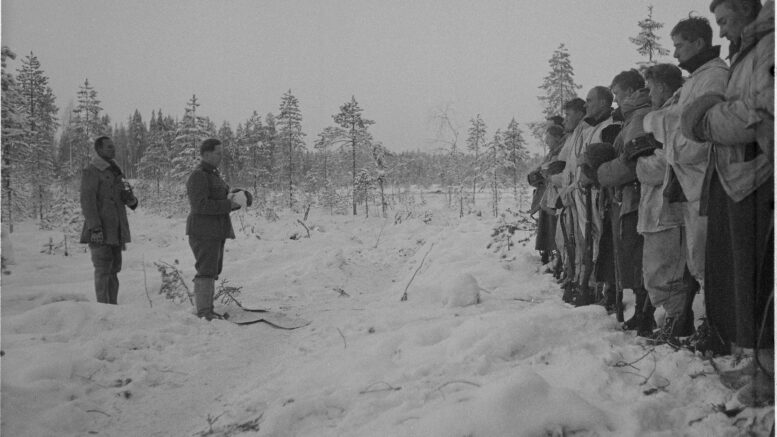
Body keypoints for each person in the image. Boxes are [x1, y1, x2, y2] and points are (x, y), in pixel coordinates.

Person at [682, 0, 773, 407]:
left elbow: (765, 110)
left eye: (723, 21)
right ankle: (761, 365)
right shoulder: (746, 53)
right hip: (740, 181)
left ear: (746, 11)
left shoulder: (770, 48)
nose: (720, 32)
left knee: (764, 281)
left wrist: (707, 120)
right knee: (746, 279)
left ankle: (770, 375)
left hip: (762, 179)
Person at [633, 64, 696, 345]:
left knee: (667, 273)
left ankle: (677, 325)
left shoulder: (678, 108)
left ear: (662, 86)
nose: (648, 94)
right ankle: (671, 323)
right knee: (656, 272)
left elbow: (667, 160)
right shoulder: (663, 112)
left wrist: (640, 162)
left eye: (650, 87)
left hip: (669, 210)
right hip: (654, 209)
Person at [595, 71, 651, 328]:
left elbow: (630, 164)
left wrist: (602, 173)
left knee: (638, 256)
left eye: (617, 94)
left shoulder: (639, 118)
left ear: (630, 92)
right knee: (633, 255)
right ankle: (642, 310)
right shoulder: (632, 118)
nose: (616, 100)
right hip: (630, 197)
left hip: (636, 198)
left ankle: (645, 312)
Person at [571, 86, 621, 307]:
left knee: (602, 241)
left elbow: (607, 159)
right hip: (586, 194)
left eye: (590, 100)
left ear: (603, 103)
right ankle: (593, 286)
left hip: (601, 193)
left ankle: (607, 290)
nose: (586, 104)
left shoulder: (610, 127)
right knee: (590, 240)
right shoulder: (591, 128)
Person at [186, 138, 242, 320]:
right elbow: (200, 205)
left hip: (215, 230)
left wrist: (239, 196)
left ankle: (207, 310)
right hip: (203, 231)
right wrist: (228, 204)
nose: (221, 157)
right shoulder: (199, 176)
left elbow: (221, 195)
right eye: (218, 153)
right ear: (207, 154)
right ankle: (204, 312)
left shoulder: (213, 174)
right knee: (206, 270)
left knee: (212, 269)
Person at [80, 136, 138, 304]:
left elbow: (122, 193)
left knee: (114, 269)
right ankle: (102, 308)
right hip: (100, 230)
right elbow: (87, 201)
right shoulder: (92, 170)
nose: (113, 150)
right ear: (98, 149)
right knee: (103, 269)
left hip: (115, 230)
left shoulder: (115, 170)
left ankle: (113, 307)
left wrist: (131, 200)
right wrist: (95, 227)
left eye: (113, 146)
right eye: (108, 147)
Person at [552, 98, 587, 297]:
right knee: (571, 240)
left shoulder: (587, 131)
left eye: (568, 114)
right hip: (572, 196)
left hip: (581, 194)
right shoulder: (574, 134)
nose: (565, 120)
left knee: (586, 243)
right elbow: (566, 165)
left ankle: (587, 286)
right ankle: (576, 279)